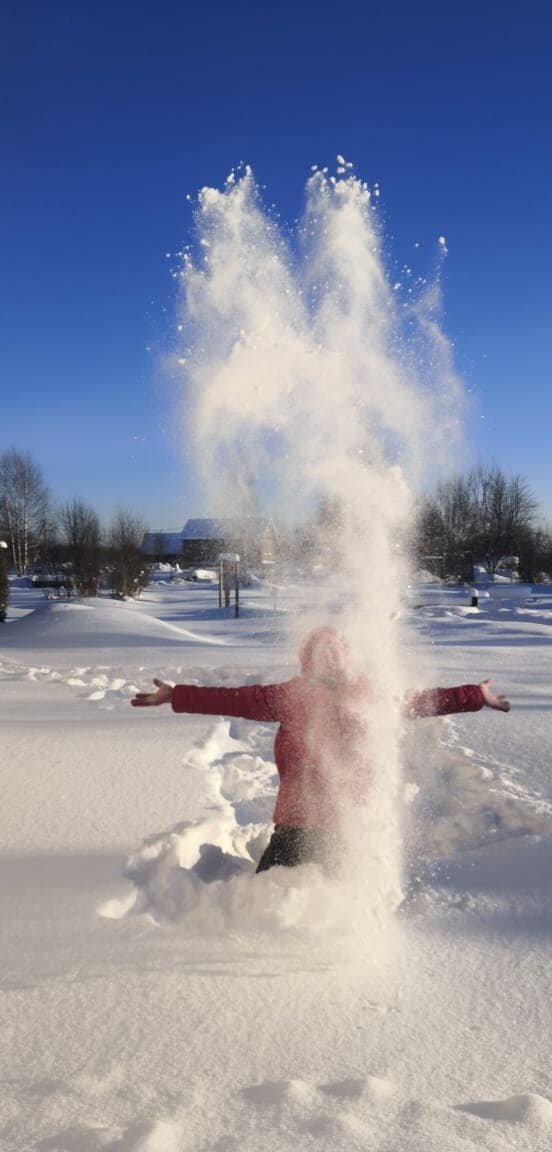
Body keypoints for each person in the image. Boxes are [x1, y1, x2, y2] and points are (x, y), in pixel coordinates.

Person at [131, 626, 510, 874]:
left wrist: (476, 694)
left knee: (340, 907)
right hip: (296, 825)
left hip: (350, 828)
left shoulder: (372, 695)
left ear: (346, 656)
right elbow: (231, 699)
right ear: (307, 660)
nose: (329, 656)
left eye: (336, 649)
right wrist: (175, 694)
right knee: (267, 902)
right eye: (319, 650)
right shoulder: (288, 696)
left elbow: (426, 700)